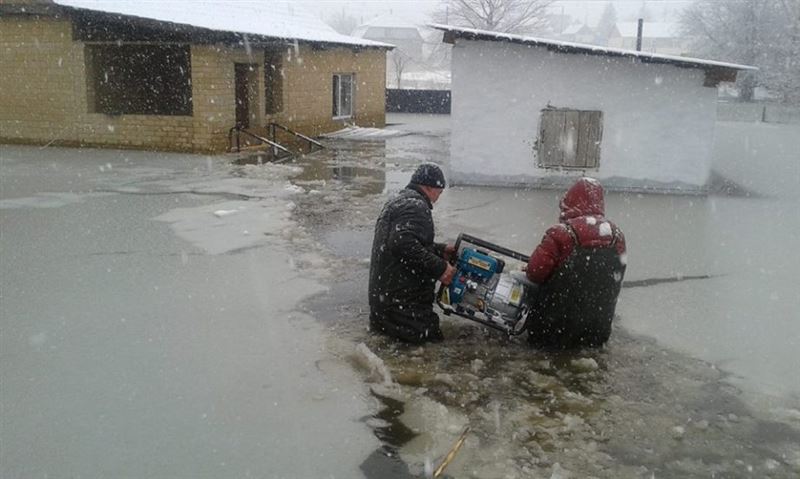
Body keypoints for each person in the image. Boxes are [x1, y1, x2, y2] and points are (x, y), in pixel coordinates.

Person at [524, 177, 627, 349]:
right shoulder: (617, 236)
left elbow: (534, 273)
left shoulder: (561, 233)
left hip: (552, 330)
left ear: (570, 200)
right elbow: (617, 275)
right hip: (596, 332)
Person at [368, 163, 456, 344]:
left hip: (385, 302)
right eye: (439, 192)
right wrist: (440, 268)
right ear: (429, 187)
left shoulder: (399, 200)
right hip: (403, 308)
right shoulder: (416, 206)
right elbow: (402, 244)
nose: (437, 198)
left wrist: (439, 250)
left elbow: (402, 242)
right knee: (430, 346)